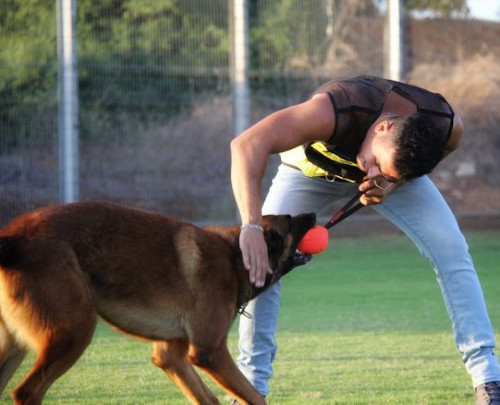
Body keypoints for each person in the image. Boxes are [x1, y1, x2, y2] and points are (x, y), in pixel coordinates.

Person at [230, 75, 500, 404]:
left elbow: (434, 151)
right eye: (377, 165)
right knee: (263, 263)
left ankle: (488, 379)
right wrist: (252, 227)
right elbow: (246, 144)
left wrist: (392, 182)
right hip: (308, 175)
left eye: (382, 172)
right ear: (383, 127)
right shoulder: (336, 109)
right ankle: (250, 388)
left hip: (397, 174)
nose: (372, 173)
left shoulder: (446, 125)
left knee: (452, 250)